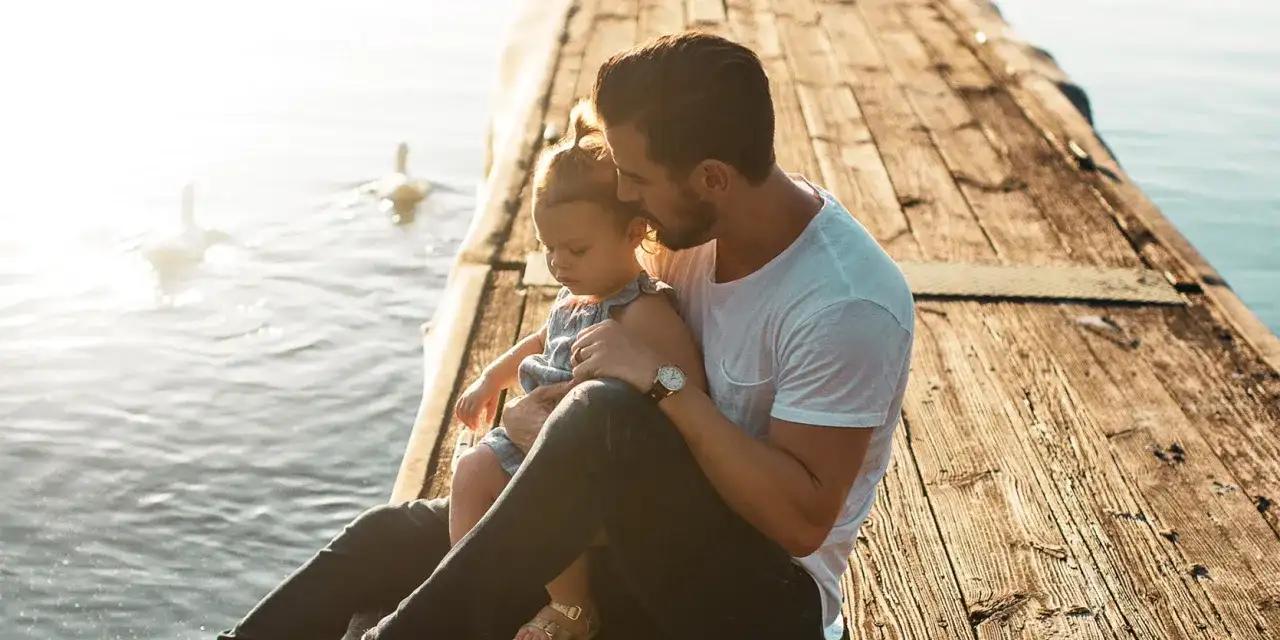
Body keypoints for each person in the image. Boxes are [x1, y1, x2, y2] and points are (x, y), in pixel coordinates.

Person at [216, 30, 914, 640]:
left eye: (636, 179)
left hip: (757, 600)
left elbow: (799, 522)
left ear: (711, 178)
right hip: (627, 533)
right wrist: (538, 421)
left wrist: (662, 385)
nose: (625, 197)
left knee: (602, 414)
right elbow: (587, 327)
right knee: (387, 538)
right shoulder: (687, 231)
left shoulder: (843, 303)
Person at [448, 100, 707, 640]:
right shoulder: (574, 299)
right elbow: (538, 341)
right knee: (470, 472)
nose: (559, 263)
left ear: (634, 232)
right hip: (534, 435)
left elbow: (689, 390)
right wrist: (490, 379)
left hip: (591, 462)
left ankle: (572, 608)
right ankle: (471, 590)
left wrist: (653, 380)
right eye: (548, 249)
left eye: (576, 248)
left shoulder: (643, 311)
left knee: (538, 497)